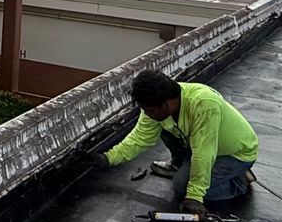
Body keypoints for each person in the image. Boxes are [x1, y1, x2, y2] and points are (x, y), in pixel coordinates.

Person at [102, 69, 258, 214]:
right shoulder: (157, 104)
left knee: (182, 186)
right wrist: (107, 158)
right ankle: (178, 165)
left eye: (150, 111)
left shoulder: (203, 104)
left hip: (234, 153)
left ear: (166, 104)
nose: (148, 114)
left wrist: (194, 197)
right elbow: (140, 138)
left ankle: (239, 182)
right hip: (199, 145)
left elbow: (204, 152)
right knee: (164, 126)